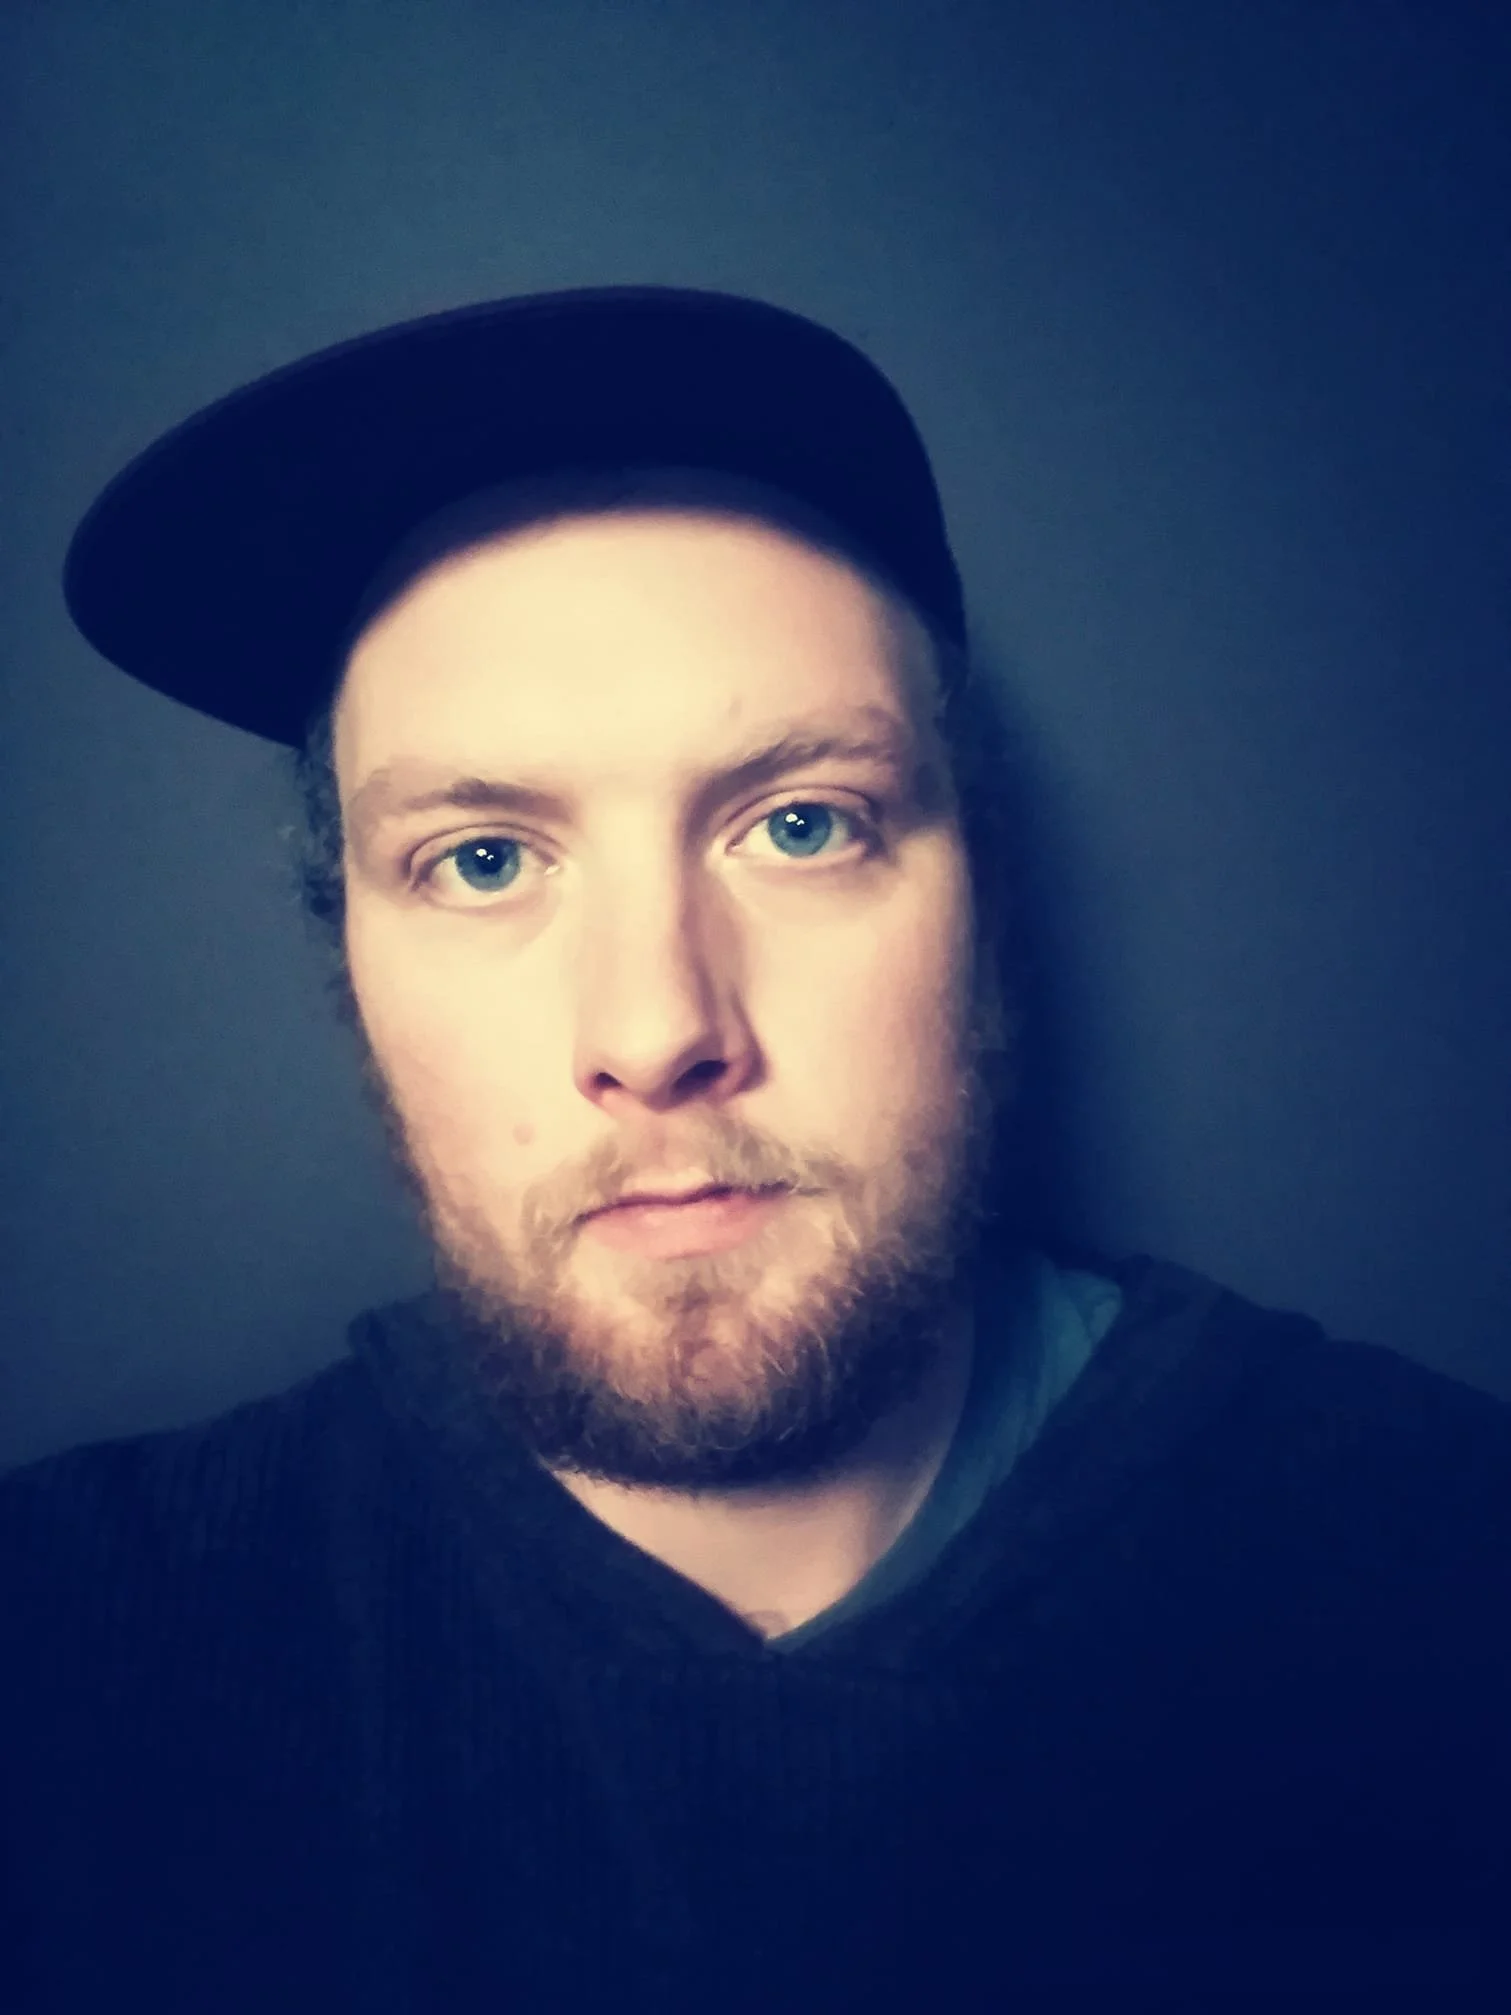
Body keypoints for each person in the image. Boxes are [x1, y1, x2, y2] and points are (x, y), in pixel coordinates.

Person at [3, 287, 1507, 2014]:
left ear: (978, 909)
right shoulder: (63, 1663)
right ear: (341, 948)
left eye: (801, 824)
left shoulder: (1445, 1582)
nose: (654, 1027)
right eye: (481, 858)